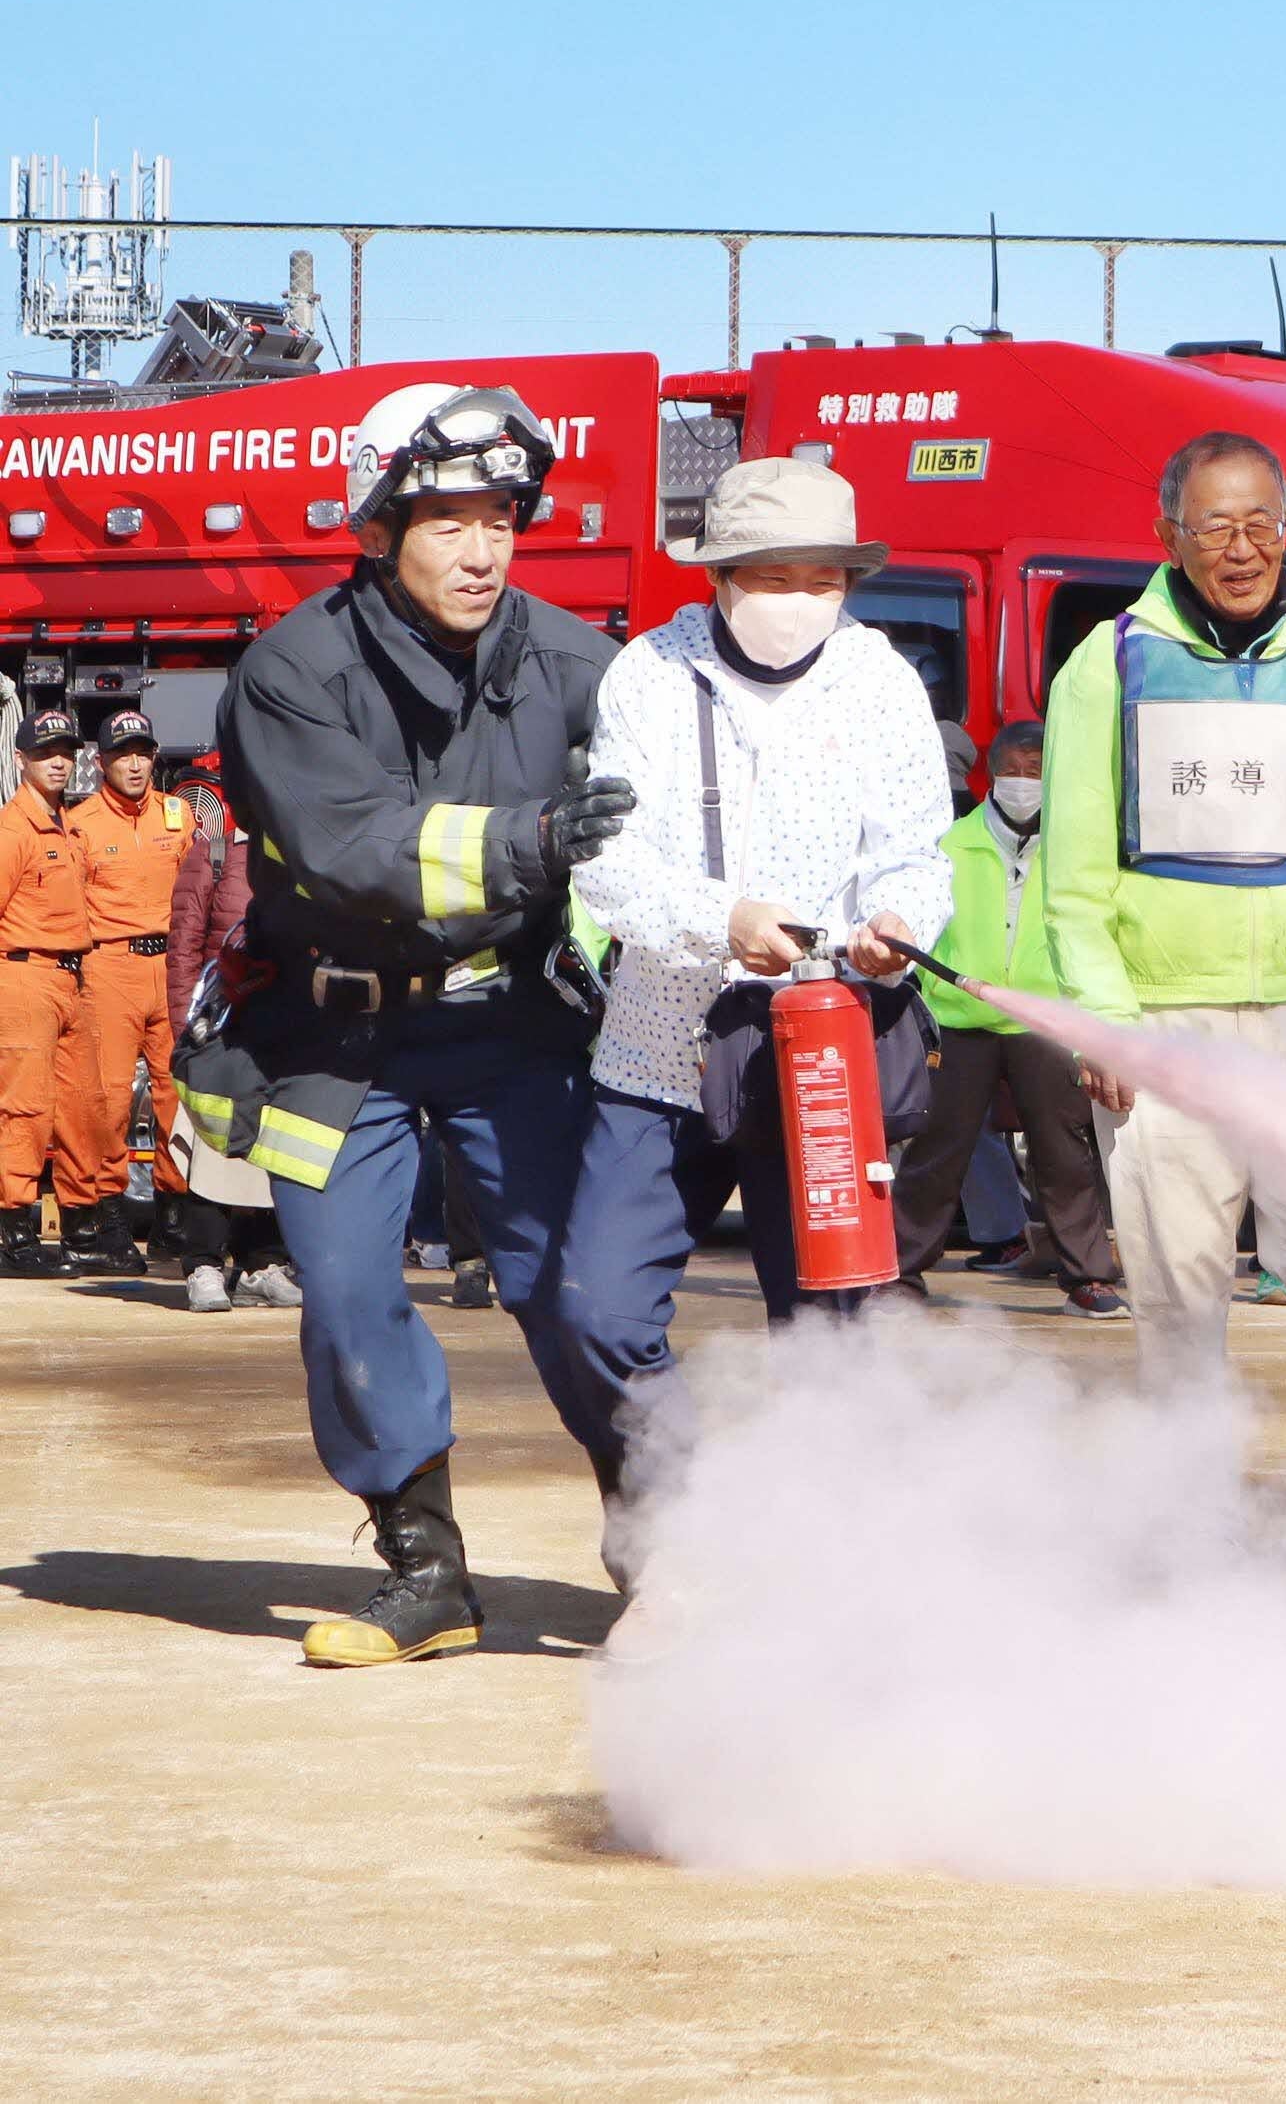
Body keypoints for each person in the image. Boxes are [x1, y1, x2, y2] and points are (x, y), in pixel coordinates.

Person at [192, 382, 632, 1668]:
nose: (484, 549)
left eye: (501, 516)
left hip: (515, 1027)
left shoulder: (581, 663)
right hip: (337, 1042)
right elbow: (347, 850)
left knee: (577, 1295)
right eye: (446, 520)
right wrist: (532, 838)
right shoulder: (291, 670)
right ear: (376, 528)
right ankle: (427, 1569)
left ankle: (664, 1556)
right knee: (341, 1296)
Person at [1045, 430, 1286, 1521]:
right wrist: (1104, 1020)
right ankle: (1189, 1507)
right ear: (1166, 534)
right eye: (1214, 523)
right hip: (1163, 1030)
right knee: (1175, 1285)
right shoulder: (1108, 661)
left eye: (1260, 520)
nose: (1240, 545)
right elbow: (1072, 872)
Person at [557, 458, 953, 1451]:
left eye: (822, 581)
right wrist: (718, 920)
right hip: (662, 1047)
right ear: (718, 576)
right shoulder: (648, 673)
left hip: (822, 1055)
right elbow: (606, 862)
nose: (798, 602)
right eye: (772, 578)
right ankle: (696, 1503)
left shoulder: (881, 681)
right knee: (598, 1312)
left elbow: (918, 855)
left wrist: (898, 929)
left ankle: (817, 1568)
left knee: (831, 1341)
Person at [888, 715, 1124, 1319]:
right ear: (988, 776)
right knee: (936, 1151)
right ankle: (899, 1275)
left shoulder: (1079, 848)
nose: (1023, 782)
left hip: (1045, 1018)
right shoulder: (950, 843)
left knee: (1064, 1152)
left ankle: (1087, 1278)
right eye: (1011, 771)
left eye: (1037, 772)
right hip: (958, 1014)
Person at [63, 708, 192, 1274]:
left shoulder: (179, 815)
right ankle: (108, 1218)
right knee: (110, 1101)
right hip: (109, 968)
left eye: (143, 753)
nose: (135, 764)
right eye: (123, 755)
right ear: (101, 762)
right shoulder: (79, 823)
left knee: (176, 1095)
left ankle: (173, 1220)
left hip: (173, 967)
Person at [163, 800, 297, 1312]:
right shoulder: (213, 855)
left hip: (279, 1026)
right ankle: (203, 1265)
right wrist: (184, 1032)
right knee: (212, 1146)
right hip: (216, 1027)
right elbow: (183, 948)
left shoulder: (298, 855)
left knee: (268, 1148)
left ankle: (261, 1264)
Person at [0, 708, 98, 1279]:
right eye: (44, 753)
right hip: (24, 978)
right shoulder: (14, 831)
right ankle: (12, 1229)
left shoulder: (66, 824)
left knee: (73, 1107)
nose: (58, 761)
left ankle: (69, 1227)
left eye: (65, 751)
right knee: (25, 1109)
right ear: (20, 761)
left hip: (69, 978)